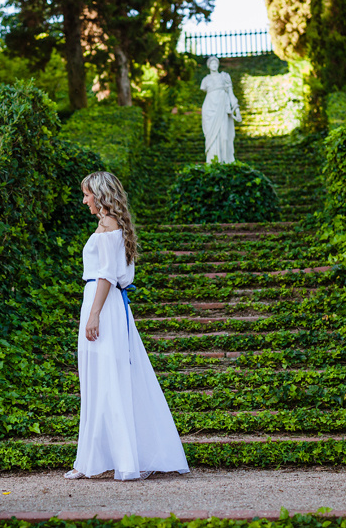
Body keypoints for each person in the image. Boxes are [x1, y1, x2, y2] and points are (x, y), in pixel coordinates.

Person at [64, 171, 190, 481]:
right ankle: (93, 459)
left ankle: (114, 459)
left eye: (87, 195)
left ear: (101, 196)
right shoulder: (109, 225)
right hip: (104, 303)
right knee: (101, 378)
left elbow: (107, 274)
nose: (84, 200)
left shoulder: (108, 225)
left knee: (107, 378)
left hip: (103, 305)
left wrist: (94, 315)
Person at [201, 55, 241, 163]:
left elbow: (231, 94)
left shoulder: (225, 77)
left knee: (225, 137)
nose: (214, 65)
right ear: (209, 66)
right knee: (211, 138)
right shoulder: (205, 80)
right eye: (212, 63)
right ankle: (213, 163)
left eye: (216, 63)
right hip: (209, 109)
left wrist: (237, 109)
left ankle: (225, 163)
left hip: (223, 107)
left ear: (218, 65)